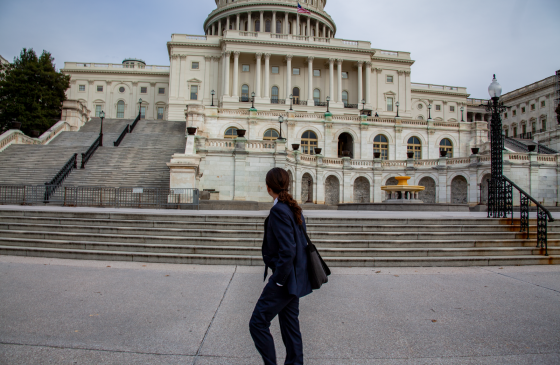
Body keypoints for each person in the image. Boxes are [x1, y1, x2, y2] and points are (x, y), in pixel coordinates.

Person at [249, 167, 312, 365]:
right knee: (290, 326)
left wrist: (277, 281)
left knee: (257, 323)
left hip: (284, 280)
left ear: (268, 188)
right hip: (294, 278)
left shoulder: (279, 210)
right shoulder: (292, 208)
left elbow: (288, 251)